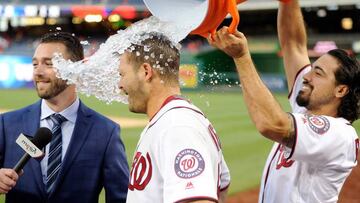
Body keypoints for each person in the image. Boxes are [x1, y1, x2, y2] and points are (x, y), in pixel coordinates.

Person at [209, 0, 360, 202]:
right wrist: (288, 2)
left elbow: (271, 124)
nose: (307, 76)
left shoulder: (339, 134)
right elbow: (293, 45)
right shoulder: (307, 109)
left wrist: (242, 56)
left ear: (341, 90)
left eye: (318, 72)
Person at [0, 32, 129, 203]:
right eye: (34, 64)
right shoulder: (7, 124)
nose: (38, 72)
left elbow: (120, 198)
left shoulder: (106, 132)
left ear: (75, 69)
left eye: (49, 63)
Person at [118, 32, 230, 203]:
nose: (120, 85)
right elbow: (222, 188)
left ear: (146, 72)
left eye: (123, 75)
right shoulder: (171, 120)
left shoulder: (176, 126)